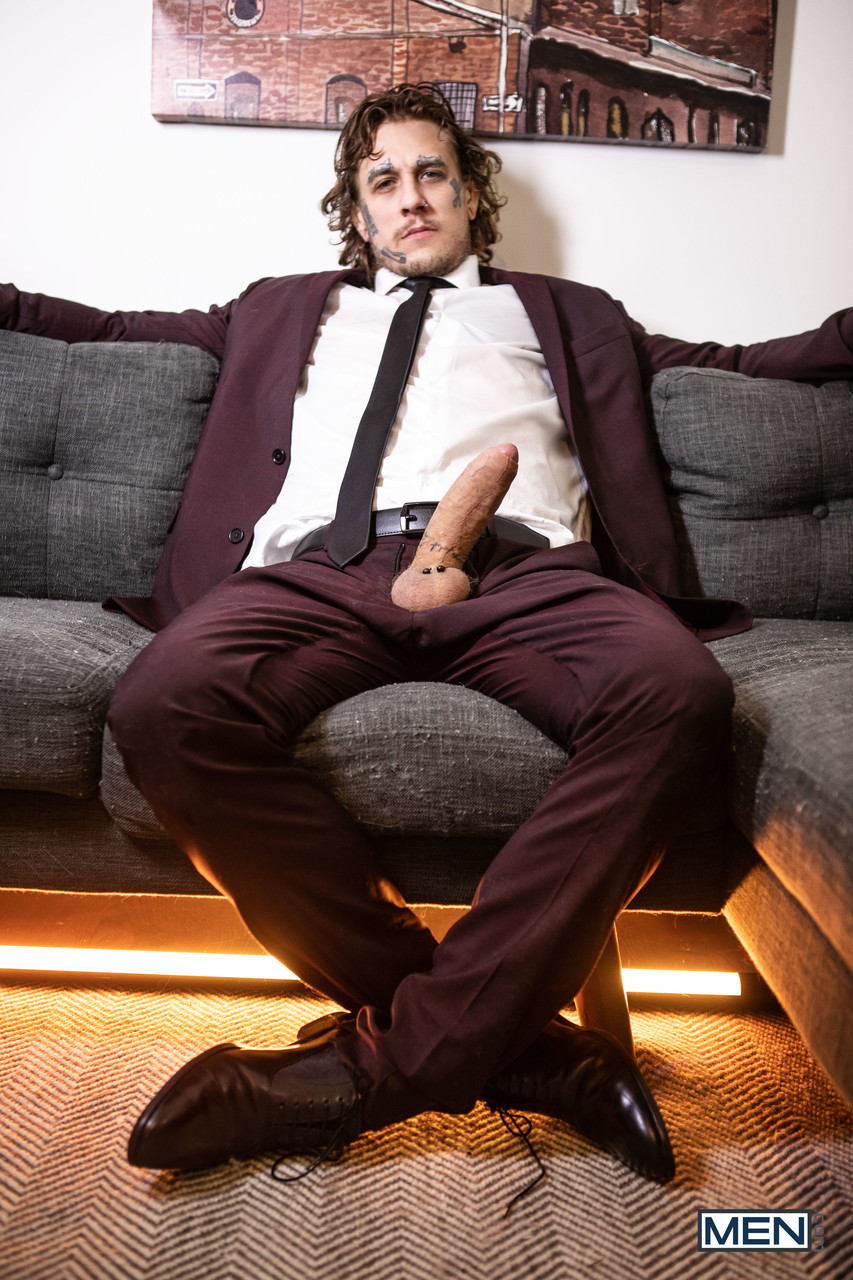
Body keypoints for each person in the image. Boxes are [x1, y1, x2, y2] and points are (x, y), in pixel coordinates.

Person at [3, 83, 851, 1187]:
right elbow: (104, 331)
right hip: (326, 568)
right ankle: (524, 1050)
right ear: (357, 210)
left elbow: (744, 364)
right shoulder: (276, 307)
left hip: (524, 570)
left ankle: (363, 1073)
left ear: (469, 194)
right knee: (163, 704)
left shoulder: (570, 312)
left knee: (678, 694)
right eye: (383, 180)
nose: (411, 197)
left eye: (432, 173)